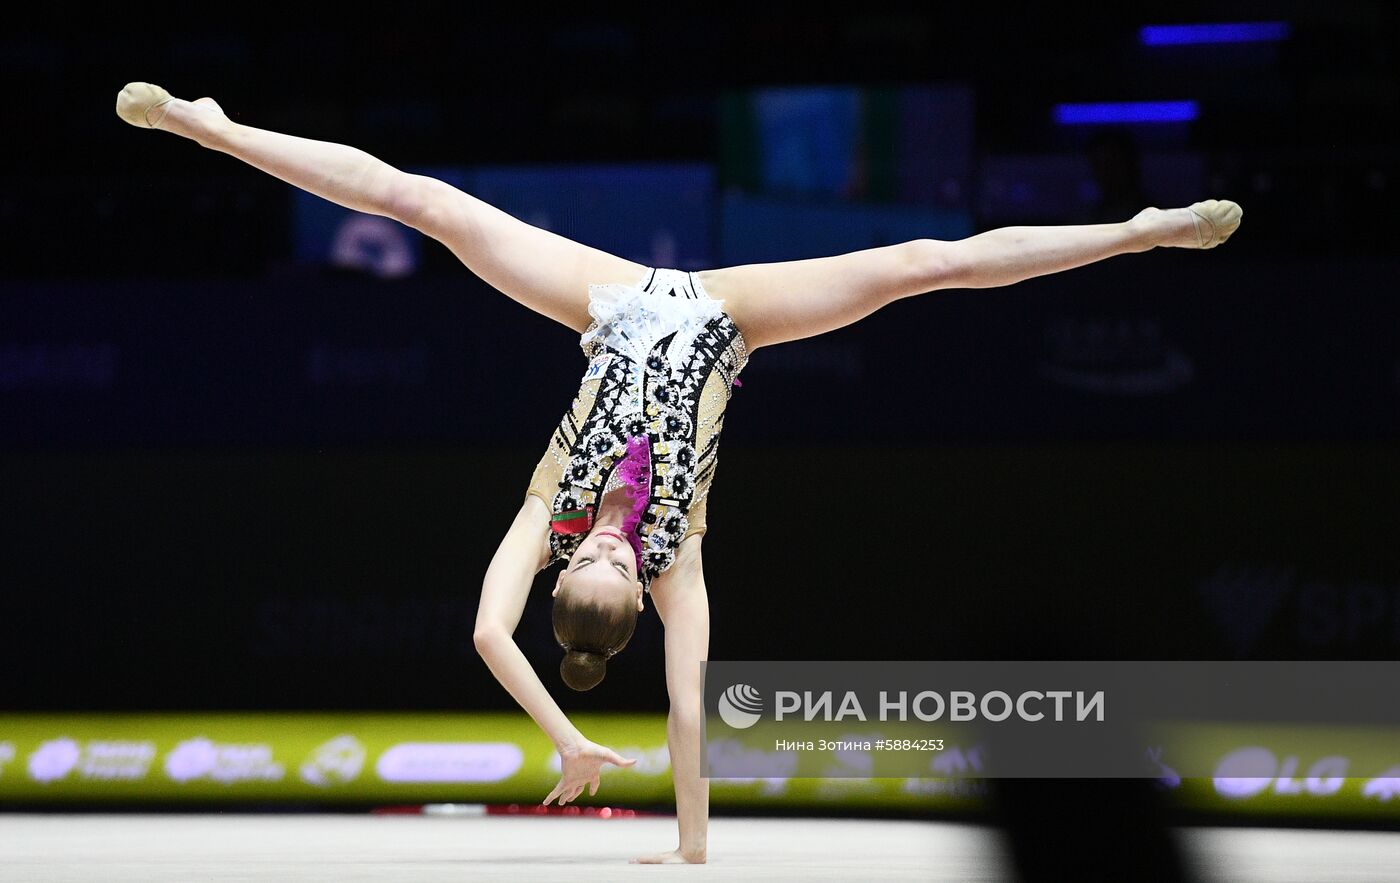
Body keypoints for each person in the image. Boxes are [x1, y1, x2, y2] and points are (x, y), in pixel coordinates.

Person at [115, 82, 1242, 865]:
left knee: (425, 200)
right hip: (723, 319)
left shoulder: (543, 514)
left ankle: (216, 131)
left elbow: (487, 634)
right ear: (639, 593)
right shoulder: (678, 564)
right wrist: (691, 844)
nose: (610, 541)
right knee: (918, 264)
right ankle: (1134, 233)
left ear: (571, 568)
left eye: (592, 557)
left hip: (603, 301)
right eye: (622, 562)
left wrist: (561, 735)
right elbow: (688, 709)